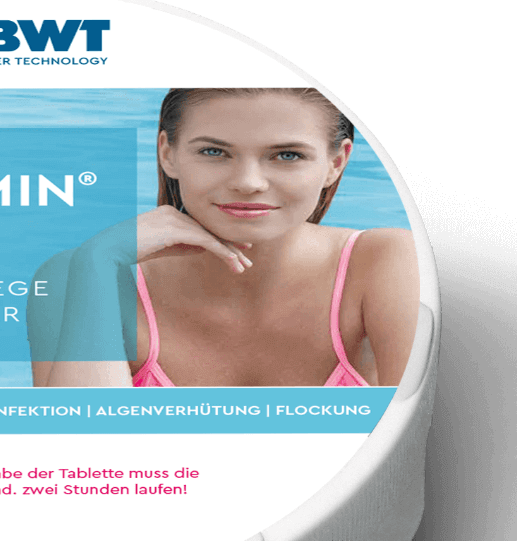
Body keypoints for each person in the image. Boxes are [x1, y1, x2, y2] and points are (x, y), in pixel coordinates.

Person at [29, 88, 418, 388]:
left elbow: (414, 440)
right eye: (214, 151)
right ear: (168, 154)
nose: (248, 183)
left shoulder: (384, 262)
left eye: (287, 155)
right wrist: (98, 262)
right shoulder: (76, 276)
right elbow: (82, 455)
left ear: (336, 162)